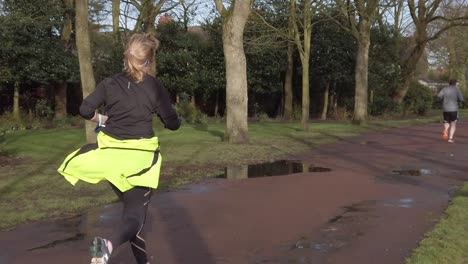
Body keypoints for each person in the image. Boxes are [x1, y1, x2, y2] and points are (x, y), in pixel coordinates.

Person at [57, 33, 181, 264]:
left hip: (111, 158)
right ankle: (107, 246)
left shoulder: (109, 83)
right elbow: (172, 124)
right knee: (135, 216)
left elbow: (85, 110)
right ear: (148, 60)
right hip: (140, 161)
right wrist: (176, 119)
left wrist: (103, 120)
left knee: (133, 215)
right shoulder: (154, 86)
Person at [438, 79, 464, 143]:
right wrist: (458, 100)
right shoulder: (457, 89)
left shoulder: (444, 89)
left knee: (446, 122)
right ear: (455, 83)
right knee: (453, 123)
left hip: (445, 109)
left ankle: (446, 130)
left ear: (449, 83)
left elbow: (439, 96)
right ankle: (450, 138)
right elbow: (461, 99)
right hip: (454, 109)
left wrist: (442, 100)